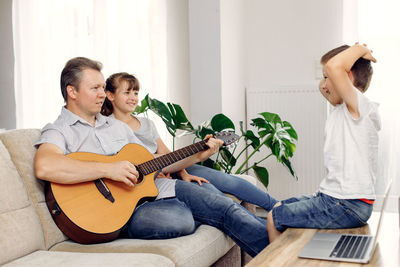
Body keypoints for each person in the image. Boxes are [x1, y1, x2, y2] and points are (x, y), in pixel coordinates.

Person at [34, 57, 270, 257]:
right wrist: (107, 170)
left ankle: (282, 241)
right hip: (117, 213)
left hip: (157, 190)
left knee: (223, 207)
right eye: (94, 88)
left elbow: (155, 160)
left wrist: (199, 154)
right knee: (181, 220)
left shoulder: (115, 126)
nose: (101, 94)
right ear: (72, 91)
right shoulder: (59, 130)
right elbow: (46, 165)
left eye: (101, 87)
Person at [101, 72, 278, 212]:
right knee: (213, 195)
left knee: (231, 182)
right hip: (150, 182)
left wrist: (184, 173)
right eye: (127, 92)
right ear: (110, 95)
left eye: (136, 93)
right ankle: (258, 224)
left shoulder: (147, 123)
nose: (133, 97)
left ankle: (278, 207)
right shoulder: (106, 127)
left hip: (176, 167)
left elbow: (166, 153)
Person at [266, 43, 381, 242]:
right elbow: (325, 82)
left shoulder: (360, 107)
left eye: (327, 77)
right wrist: (330, 75)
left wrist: (359, 50)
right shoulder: (341, 108)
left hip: (346, 203)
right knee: (277, 207)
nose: (324, 84)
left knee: (274, 218)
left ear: (347, 77)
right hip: (336, 198)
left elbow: (334, 67)